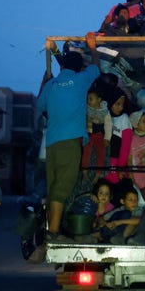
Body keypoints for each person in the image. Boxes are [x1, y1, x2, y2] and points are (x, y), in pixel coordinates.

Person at [39, 32, 100, 242]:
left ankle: (52, 228)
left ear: (62, 66)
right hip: (70, 143)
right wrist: (92, 47)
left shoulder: (51, 85)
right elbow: (96, 68)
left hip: (53, 144)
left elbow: (40, 106)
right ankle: (53, 233)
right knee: (62, 187)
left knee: (54, 185)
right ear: (78, 67)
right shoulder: (81, 79)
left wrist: (44, 83)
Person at [81, 88, 112, 173]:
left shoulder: (104, 112)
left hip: (99, 135)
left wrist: (107, 138)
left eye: (91, 99)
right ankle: (84, 170)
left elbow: (108, 125)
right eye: (88, 99)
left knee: (101, 152)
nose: (88, 101)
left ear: (99, 100)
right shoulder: (87, 108)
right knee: (86, 152)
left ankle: (99, 172)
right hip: (88, 134)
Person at [127, 110, 145, 201]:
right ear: (136, 124)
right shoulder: (131, 139)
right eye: (143, 121)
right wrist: (131, 176)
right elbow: (129, 159)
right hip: (139, 176)